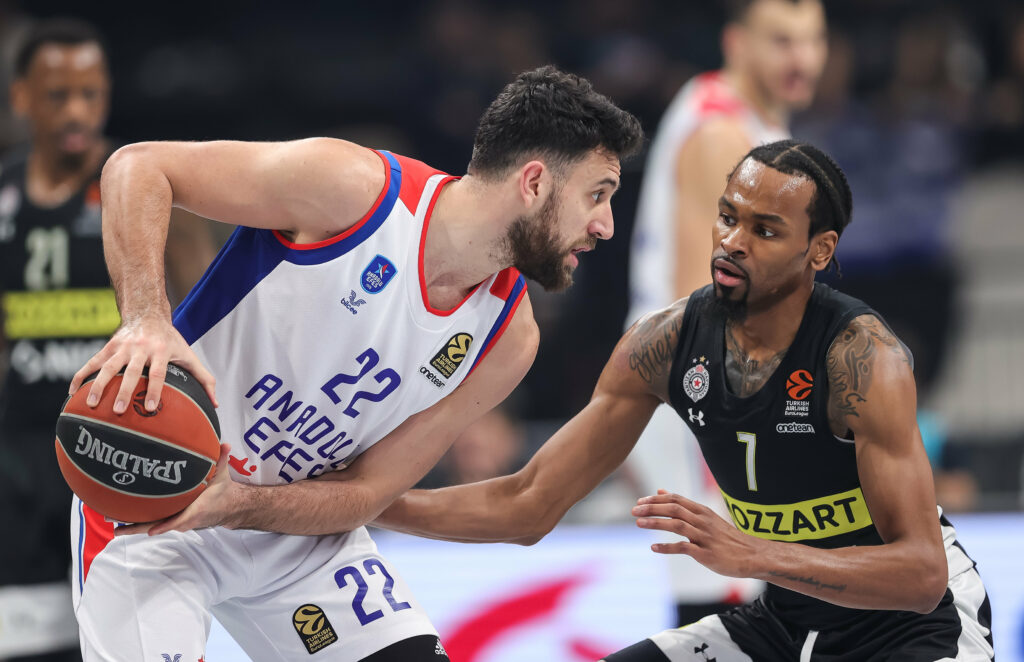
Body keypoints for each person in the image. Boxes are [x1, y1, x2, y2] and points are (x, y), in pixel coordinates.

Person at [66, 65, 643, 661]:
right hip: (155, 491)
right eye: (597, 195)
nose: (604, 225)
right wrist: (145, 318)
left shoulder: (509, 339)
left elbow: (367, 494)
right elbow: (137, 166)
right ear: (535, 183)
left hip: (292, 529)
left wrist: (240, 504)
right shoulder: (354, 190)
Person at [376, 140, 994, 661]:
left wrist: (756, 554)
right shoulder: (664, 344)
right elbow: (527, 503)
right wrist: (368, 505)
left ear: (820, 250)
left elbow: (921, 576)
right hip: (785, 623)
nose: (733, 242)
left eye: (765, 230)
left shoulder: (862, 358)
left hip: (916, 628)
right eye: (728, 217)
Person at [0, 19, 215, 662]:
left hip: (125, 444)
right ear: (21, 98)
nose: (77, 111)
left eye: (90, 94)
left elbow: (211, 318)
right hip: (17, 459)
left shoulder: (146, 191)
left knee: (116, 639)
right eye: (58, 95)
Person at [625, 0, 828, 625]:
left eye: (812, 40)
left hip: (699, 378)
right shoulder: (722, 136)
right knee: (723, 602)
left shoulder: (741, 120)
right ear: (737, 43)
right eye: (781, 41)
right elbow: (702, 294)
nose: (801, 58)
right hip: (698, 383)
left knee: (742, 596)